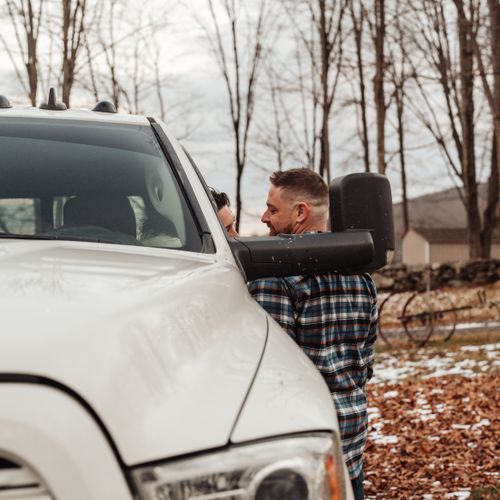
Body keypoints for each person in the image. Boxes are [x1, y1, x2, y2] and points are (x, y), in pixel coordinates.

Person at [248, 167, 377, 500]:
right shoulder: (362, 278)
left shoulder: (275, 276)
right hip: (351, 445)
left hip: (301, 455)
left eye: (272, 209)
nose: (264, 217)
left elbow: (269, 376)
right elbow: (366, 367)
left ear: (300, 212)